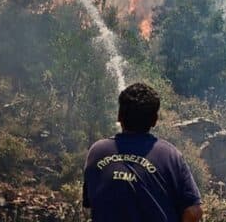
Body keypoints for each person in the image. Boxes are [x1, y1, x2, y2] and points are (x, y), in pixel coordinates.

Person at [83, 83, 203, 222]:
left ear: (119, 116)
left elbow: (91, 202)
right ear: (154, 120)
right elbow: (194, 211)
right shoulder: (170, 155)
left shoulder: (97, 152)